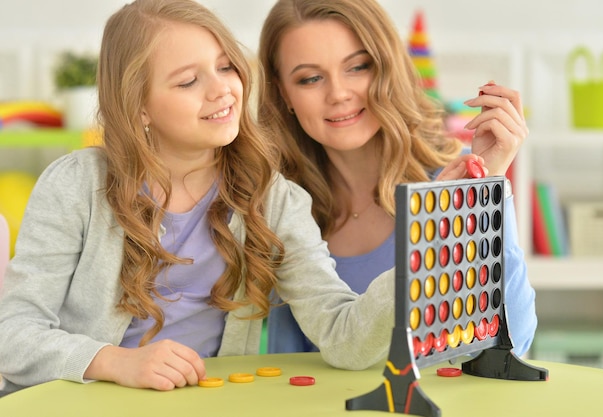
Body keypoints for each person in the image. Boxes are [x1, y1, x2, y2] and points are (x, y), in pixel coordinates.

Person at [0, 0, 397, 397]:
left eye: (226, 67)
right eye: (188, 81)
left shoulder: (273, 199)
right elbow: (12, 334)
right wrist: (115, 362)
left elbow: (343, 336)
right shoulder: (77, 185)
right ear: (138, 106)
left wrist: (413, 274)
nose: (222, 88)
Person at [257, 0, 537, 355]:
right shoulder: (281, 205)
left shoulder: (455, 180)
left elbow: (511, 346)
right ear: (284, 94)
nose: (339, 94)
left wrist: (485, 194)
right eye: (310, 78)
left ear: (388, 68)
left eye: (357, 67)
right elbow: (286, 360)